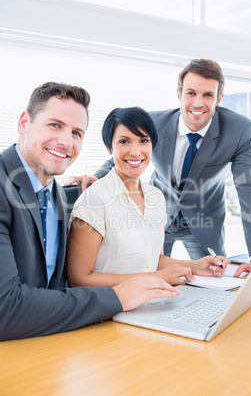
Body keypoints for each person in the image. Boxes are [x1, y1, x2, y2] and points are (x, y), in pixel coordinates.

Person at [0, 82, 182, 341]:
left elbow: (54, 284)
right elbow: (6, 308)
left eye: (76, 132)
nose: (65, 141)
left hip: (49, 338)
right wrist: (118, 296)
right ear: (23, 122)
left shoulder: (59, 195)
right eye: (55, 125)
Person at [66, 59, 251, 277]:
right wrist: (98, 179)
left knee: (216, 277)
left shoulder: (238, 130)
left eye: (208, 95)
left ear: (219, 98)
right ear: (179, 94)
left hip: (203, 219)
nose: (198, 103)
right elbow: (124, 152)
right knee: (152, 271)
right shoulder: (153, 123)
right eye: (191, 93)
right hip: (155, 215)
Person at [66, 107, 228, 289]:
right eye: (124, 141)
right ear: (109, 147)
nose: (136, 152)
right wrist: (155, 277)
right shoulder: (95, 199)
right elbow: (79, 279)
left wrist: (195, 266)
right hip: (110, 308)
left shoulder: (155, 197)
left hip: (151, 302)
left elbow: (153, 260)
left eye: (144, 140)